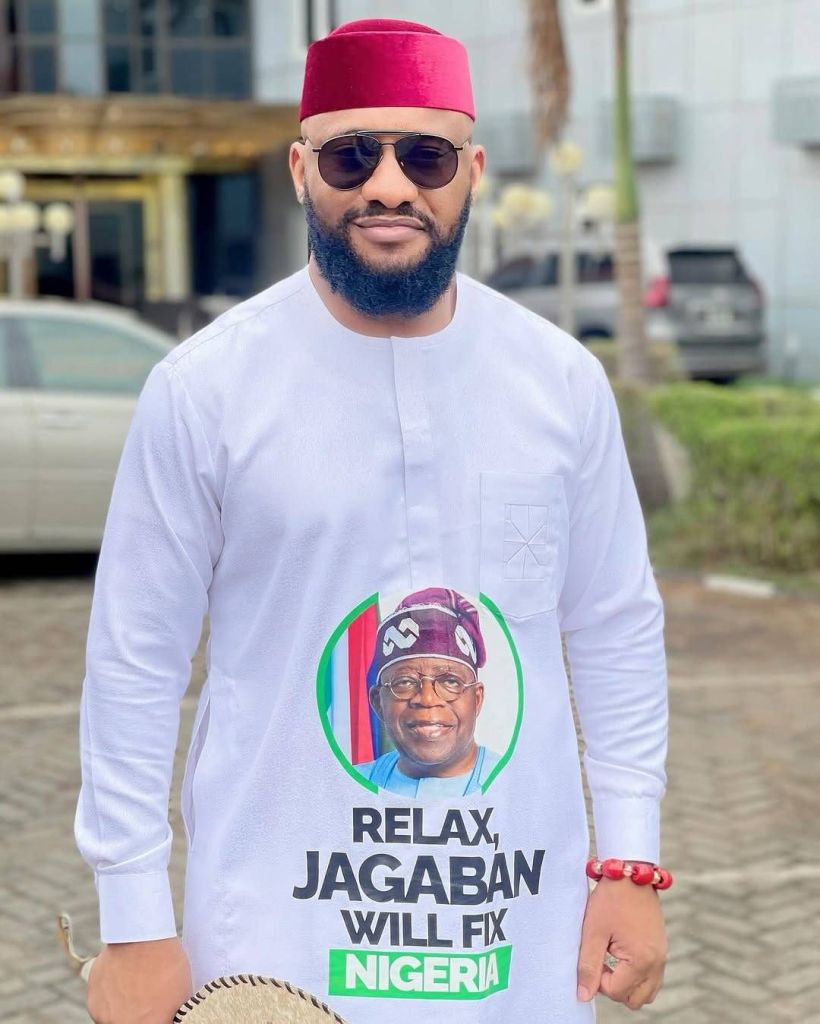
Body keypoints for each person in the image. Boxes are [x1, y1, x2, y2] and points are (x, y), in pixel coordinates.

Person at [75, 17, 669, 1024]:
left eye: (423, 154)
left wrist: (631, 861)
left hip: (511, 941)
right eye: (354, 154)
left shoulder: (560, 382)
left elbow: (614, 626)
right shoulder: (206, 390)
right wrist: (134, 919)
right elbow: (135, 659)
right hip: (271, 944)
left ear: (471, 170)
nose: (388, 184)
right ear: (302, 170)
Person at [357, 587, 501, 797]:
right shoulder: (344, 785)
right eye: (405, 682)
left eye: (450, 681)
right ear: (378, 702)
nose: (427, 698)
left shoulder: (515, 785)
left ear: (476, 699)